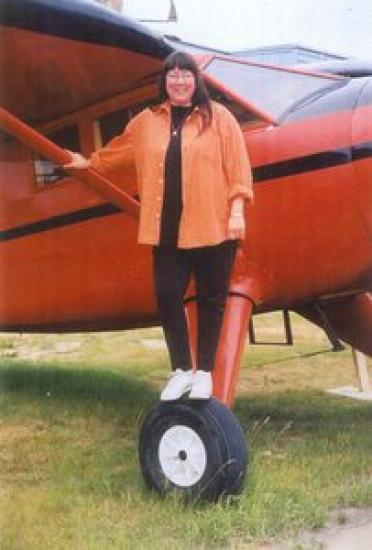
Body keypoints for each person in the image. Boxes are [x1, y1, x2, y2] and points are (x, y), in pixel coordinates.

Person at [64, 51, 253, 401]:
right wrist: (85, 163)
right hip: (166, 231)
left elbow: (238, 167)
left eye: (186, 75)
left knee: (212, 301)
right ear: (164, 82)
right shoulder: (146, 122)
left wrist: (237, 210)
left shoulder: (220, 118)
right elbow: (115, 153)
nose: (179, 81)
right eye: (172, 75)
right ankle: (182, 370)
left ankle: (205, 374)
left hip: (214, 225)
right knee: (168, 296)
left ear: (196, 81)